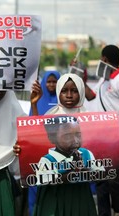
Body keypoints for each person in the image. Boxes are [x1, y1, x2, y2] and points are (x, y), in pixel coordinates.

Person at [15, 73, 98, 215]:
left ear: (81, 91)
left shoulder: (92, 120)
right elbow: (36, 138)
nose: (69, 95)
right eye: (64, 91)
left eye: (74, 90)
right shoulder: (50, 116)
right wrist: (21, 148)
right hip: (53, 194)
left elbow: (100, 168)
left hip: (79, 192)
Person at [91, 44, 119, 216]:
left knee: (116, 181)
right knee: (101, 181)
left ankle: (117, 210)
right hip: (102, 141)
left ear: (105, 60)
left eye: (102, 59)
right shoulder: (104, 80)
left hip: (117, 139)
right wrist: (78, 74)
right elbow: (91, 96)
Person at [36, 115, 104, 185]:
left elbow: (101, 175)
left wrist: (82, 168)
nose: (75, 141)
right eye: (67, 136)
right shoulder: (47, 160)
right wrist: (74, 169)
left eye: (78, 135)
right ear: (52, 138)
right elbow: (47, 184)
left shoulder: (86, 153)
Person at [27, 70, 60, 216]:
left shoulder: (65, 99)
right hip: (40, 155)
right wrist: (34, 105)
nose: (52, 84)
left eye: (55, 81)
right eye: (49, 81)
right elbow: (31, 126)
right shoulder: (37, 101)